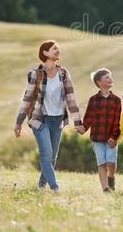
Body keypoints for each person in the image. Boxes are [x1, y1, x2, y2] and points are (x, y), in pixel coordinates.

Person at [14, 40, 83, 192]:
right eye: (54, 48)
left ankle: (41, 186)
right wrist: (18, 122)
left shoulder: (64, 73)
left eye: (58, 48)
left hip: (57, 119)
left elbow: (71, 99)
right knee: (46, 154)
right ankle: (55, 188)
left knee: (52, 158)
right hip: (40, 119)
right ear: (45, 53)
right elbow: (27, 99)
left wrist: (78, 122)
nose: (58, 50)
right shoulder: (36, 74)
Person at [80, 68, 122, 192]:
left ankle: (111, 176)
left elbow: (117, 119)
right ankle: (105, 188)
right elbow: (89, 117)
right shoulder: (93, 100)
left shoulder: (116, 100)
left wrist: (114, 137)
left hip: (110, 137)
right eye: (107, 77)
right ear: (99, 82)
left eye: (111, 77)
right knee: (101, 163)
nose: (111, 79)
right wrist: (83, 128)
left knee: (111, 162)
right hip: (97, 137)